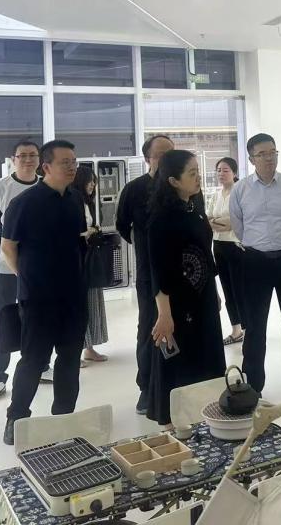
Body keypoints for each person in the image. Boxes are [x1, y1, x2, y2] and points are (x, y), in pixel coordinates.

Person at [1, 140, 88, 445]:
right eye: (65, 162)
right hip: (38, 298)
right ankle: (16, 418)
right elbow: (8, 247)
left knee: (70, 359)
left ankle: (63, 418)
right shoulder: (24, 203)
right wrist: (26, 277)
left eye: (74, 161)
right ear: (46, 167)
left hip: (74, 295)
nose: (72, 167)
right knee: (34, 359)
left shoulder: (75, 198)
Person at [229, 133, 281, 401]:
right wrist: (259, 244)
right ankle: (253, 387)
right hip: (254, 262)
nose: (269, 158)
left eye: (273, 153)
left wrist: (280, 241)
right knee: (255, 327)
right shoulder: (241, 189)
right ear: (251, 158)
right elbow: (239, 226)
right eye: (263, 154)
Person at [146, 150, 227, 427]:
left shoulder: (194, 207)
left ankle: (205, 412)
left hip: (202, 296)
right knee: (178, 359)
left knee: (207, 354)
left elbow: (205, 252)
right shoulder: (161, 218)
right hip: (177, 302)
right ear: (173, 181)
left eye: (197, 171)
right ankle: (172, 422)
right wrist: (164, 314)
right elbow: (158, 269)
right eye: (191, 173)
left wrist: (213, 291)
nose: (198, 178)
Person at [0, 139, 49, 405]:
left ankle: (41, 365)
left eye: (33, 155)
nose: (28, 160)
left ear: (40, 159)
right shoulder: (0, 188)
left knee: (39, 317)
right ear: (13, 159)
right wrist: (8, 256)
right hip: (6, 269)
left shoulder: (46, 186)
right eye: (23, 156)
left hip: (39, 268)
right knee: (3, 319)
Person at [116, 134, 174, 414]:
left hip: (180, 272)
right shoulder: (134, 189)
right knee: (150, 329)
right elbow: (122, 225)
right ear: (147, 158)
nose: (166, 159)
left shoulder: (181, 184)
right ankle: (147, 387)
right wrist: (145, 246)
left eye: (171, 153)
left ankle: (177, 382)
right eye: (161, 154)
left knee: (183, 326)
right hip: (148, 273)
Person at [71, 165, 109, 364]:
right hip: (77, 260)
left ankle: (89, 348)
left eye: (94, 181)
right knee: (80, 304)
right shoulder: (72, 202)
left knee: (93, 302)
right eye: (90, 181)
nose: (93, 185)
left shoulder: (88, 203)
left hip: (89, 258)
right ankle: (75, 350)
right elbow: (71, 232)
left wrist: (94, 231)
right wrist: (88, 232)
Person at [209, 157, 244, 346]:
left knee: (239, 289)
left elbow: (238, 221)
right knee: (227, 289)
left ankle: (248, 328)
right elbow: (208, 219)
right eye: (219, 170)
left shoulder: (240, 192)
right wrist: (222, 222)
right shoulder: (216, 195)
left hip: (235, 246)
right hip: (219, 246)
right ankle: (236, 330)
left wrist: (219, 222)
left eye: (226, 170)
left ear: (234, 173)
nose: (221, 174)